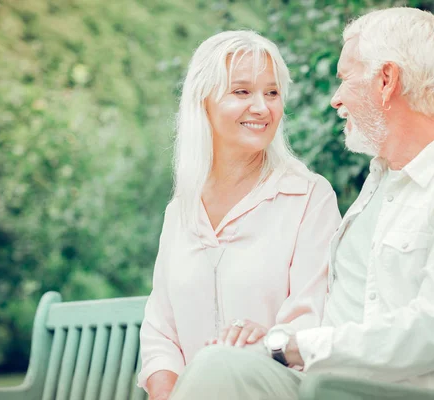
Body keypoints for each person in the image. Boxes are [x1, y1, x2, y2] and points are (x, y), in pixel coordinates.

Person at [167, 7, 434, 399]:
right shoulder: (378, 188)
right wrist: (277, 340)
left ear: (386, 80)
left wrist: (292, 346)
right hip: (336, 387)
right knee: (224, 361)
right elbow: (344, 321)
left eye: (345, 79)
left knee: (218, 367)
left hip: (422, 394)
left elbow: (432, 331)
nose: (336, 100)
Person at [136, 30, 341, 400]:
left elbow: (313, 321)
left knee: (221, 364)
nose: (262, 107)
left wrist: (268, 339)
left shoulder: (309, 196)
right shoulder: (180, 211)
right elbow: (160, 334)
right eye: (242, 91)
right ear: (204, 101)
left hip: (274, 387)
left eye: (272, 93)